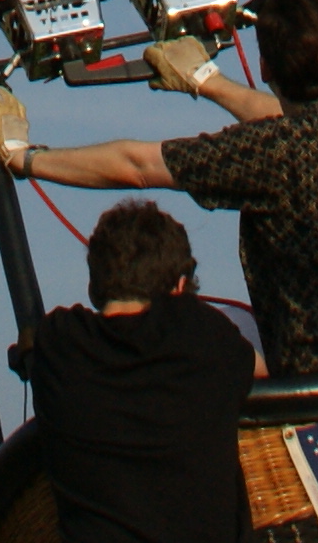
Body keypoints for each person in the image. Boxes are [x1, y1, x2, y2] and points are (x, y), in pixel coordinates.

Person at [4, 0, 318, 374]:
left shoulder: (274, 153)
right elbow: (302, 123)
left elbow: (137, 166)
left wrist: (23, 158)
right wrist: (207, 80)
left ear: (265, 69)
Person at [29, 201, 260, 543]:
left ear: (95, 285)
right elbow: (272, 371)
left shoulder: (58, 344)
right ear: (181, 288)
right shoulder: (205, 335)